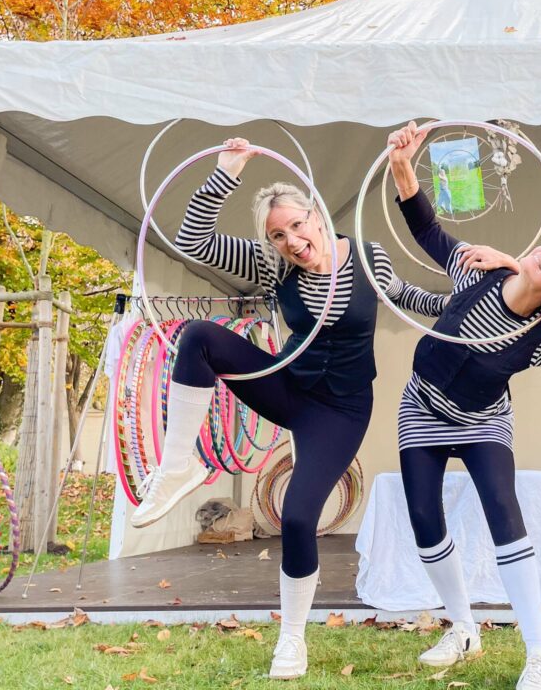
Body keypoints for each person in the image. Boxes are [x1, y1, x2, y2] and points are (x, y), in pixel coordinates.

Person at [129, 138, 448, 680]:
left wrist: (490, 296)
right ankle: (177, 464)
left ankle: (292, 640)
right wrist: (225, 173)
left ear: (316, 216)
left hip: (340, 410)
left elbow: (410, 297)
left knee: (298, 516)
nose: (291, 241)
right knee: (199, 337)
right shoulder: (275, 268)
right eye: (278, 235)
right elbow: (190, 239)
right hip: (286, 386)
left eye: (297, 226)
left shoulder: (368, 256)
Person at [387, 121, 541, 690]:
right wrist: (405, 164)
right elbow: (426, 228)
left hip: (483, 421)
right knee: (425, 521)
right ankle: (462, 627)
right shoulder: (475, 269)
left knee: (506, 516)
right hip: (422, 407)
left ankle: (538, 656)